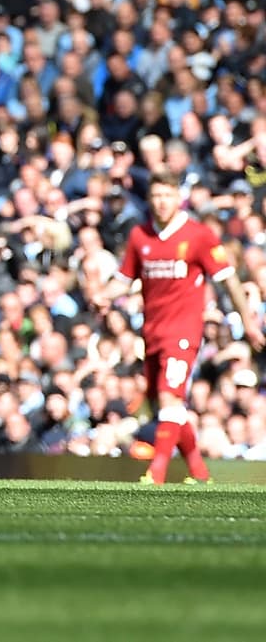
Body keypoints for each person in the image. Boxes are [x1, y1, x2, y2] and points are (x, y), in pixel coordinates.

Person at [93, 169, 264, 485]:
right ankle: (200, 474)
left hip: (184, 331)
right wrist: (103, 294)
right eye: (156, 196)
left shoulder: (198, 235)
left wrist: (249, 322)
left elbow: (228, 281)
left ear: (178, 199)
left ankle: (155, 474)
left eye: (168, 195)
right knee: (165, 406)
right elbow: (124, 280)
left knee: (170, 400)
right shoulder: (140, 236)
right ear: (149, 199)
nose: (161, 202)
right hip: (153, 331)